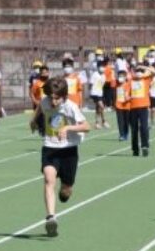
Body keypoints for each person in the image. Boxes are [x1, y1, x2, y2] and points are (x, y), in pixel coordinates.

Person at [30, 77, 91, 237]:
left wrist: (68, 127)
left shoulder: (70, 107)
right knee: (49, 180)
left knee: (65, 191)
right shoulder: (45, 102)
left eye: (56, 98)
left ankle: (66, 189)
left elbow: (87, 126)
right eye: (50, 97)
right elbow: (39, 108)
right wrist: (33, 121)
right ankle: (51, 217)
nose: (53, 101)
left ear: (63, 96)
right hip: (50, 148)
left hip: (68, 150)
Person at [128, 64, 154, 156]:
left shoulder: (146, 79)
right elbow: (127, 92)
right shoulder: (131, 80)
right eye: (137, 71)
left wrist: (144, 67)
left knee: (144, 127)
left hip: (143, 106)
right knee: (134, 129)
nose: (139, 73)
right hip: (132, 107)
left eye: (140, 71)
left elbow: (154, 71)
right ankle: (135, 149)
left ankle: (145, 146)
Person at [89, 59, 108, 128]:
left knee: (98, 108)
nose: (103, 68)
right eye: (101, 66)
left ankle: (97, 123)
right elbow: (90, 84)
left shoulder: (104, 76)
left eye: (103, 66)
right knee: (102, 106)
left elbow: (102, 85)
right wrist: (90, 92)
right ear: (98, 67)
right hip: (95, 93)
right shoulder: (95, 74)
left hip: (100, 93)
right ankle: (104, 121)